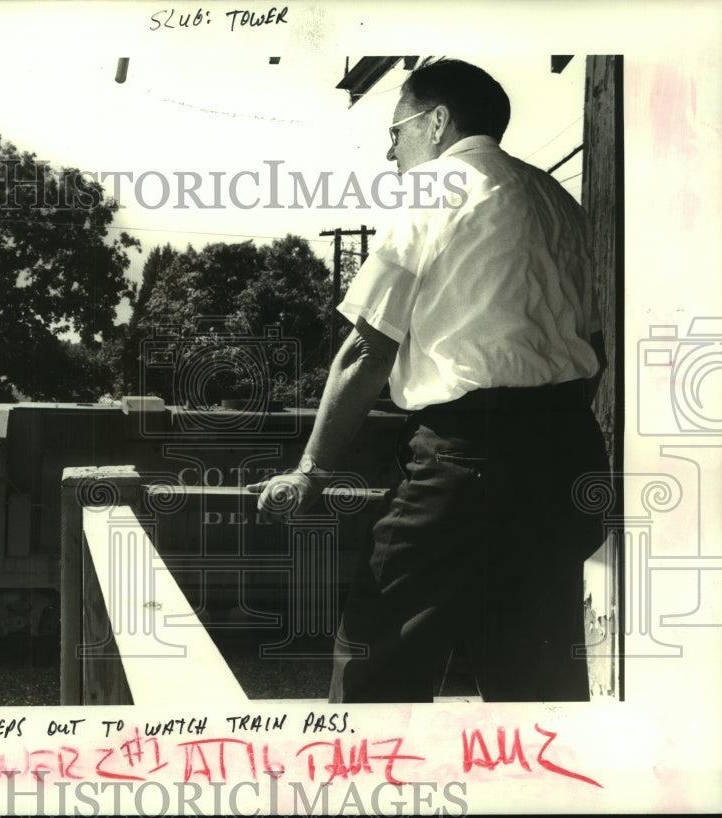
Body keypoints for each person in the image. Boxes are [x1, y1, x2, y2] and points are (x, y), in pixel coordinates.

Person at [248, 59, 609, 702]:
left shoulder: (434, 187)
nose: (390, 149)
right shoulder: (559, 201)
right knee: (537, 670)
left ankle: (360, 786)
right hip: (567, 458)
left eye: (398, 129)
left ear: (437, 121)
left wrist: (312, 468)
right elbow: (593, 349)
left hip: (468, 460)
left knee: (378, 651)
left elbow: (367, 347)